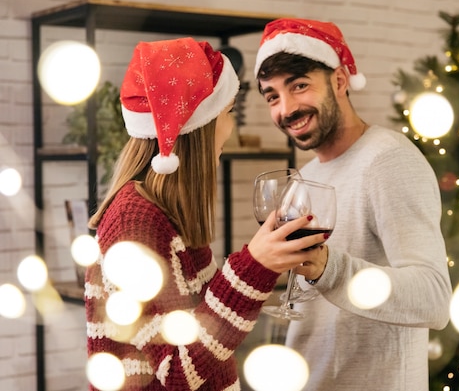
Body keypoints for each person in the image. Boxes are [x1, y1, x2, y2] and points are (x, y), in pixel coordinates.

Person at [84, 37, 328, 391]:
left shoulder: (163, 211)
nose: (231, 128)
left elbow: (195, 317)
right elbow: (177, 372)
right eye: (228, 113)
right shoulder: (134, 223)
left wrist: (261, 256)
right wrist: (253, 268)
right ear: (198, 126)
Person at [254, 19, 453, 390]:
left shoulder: (389, 160)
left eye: (299, 86)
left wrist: (329, 268)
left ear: (340, 81)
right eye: (272, 96)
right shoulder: (308, 174)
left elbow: (434, 298)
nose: (287, 109)